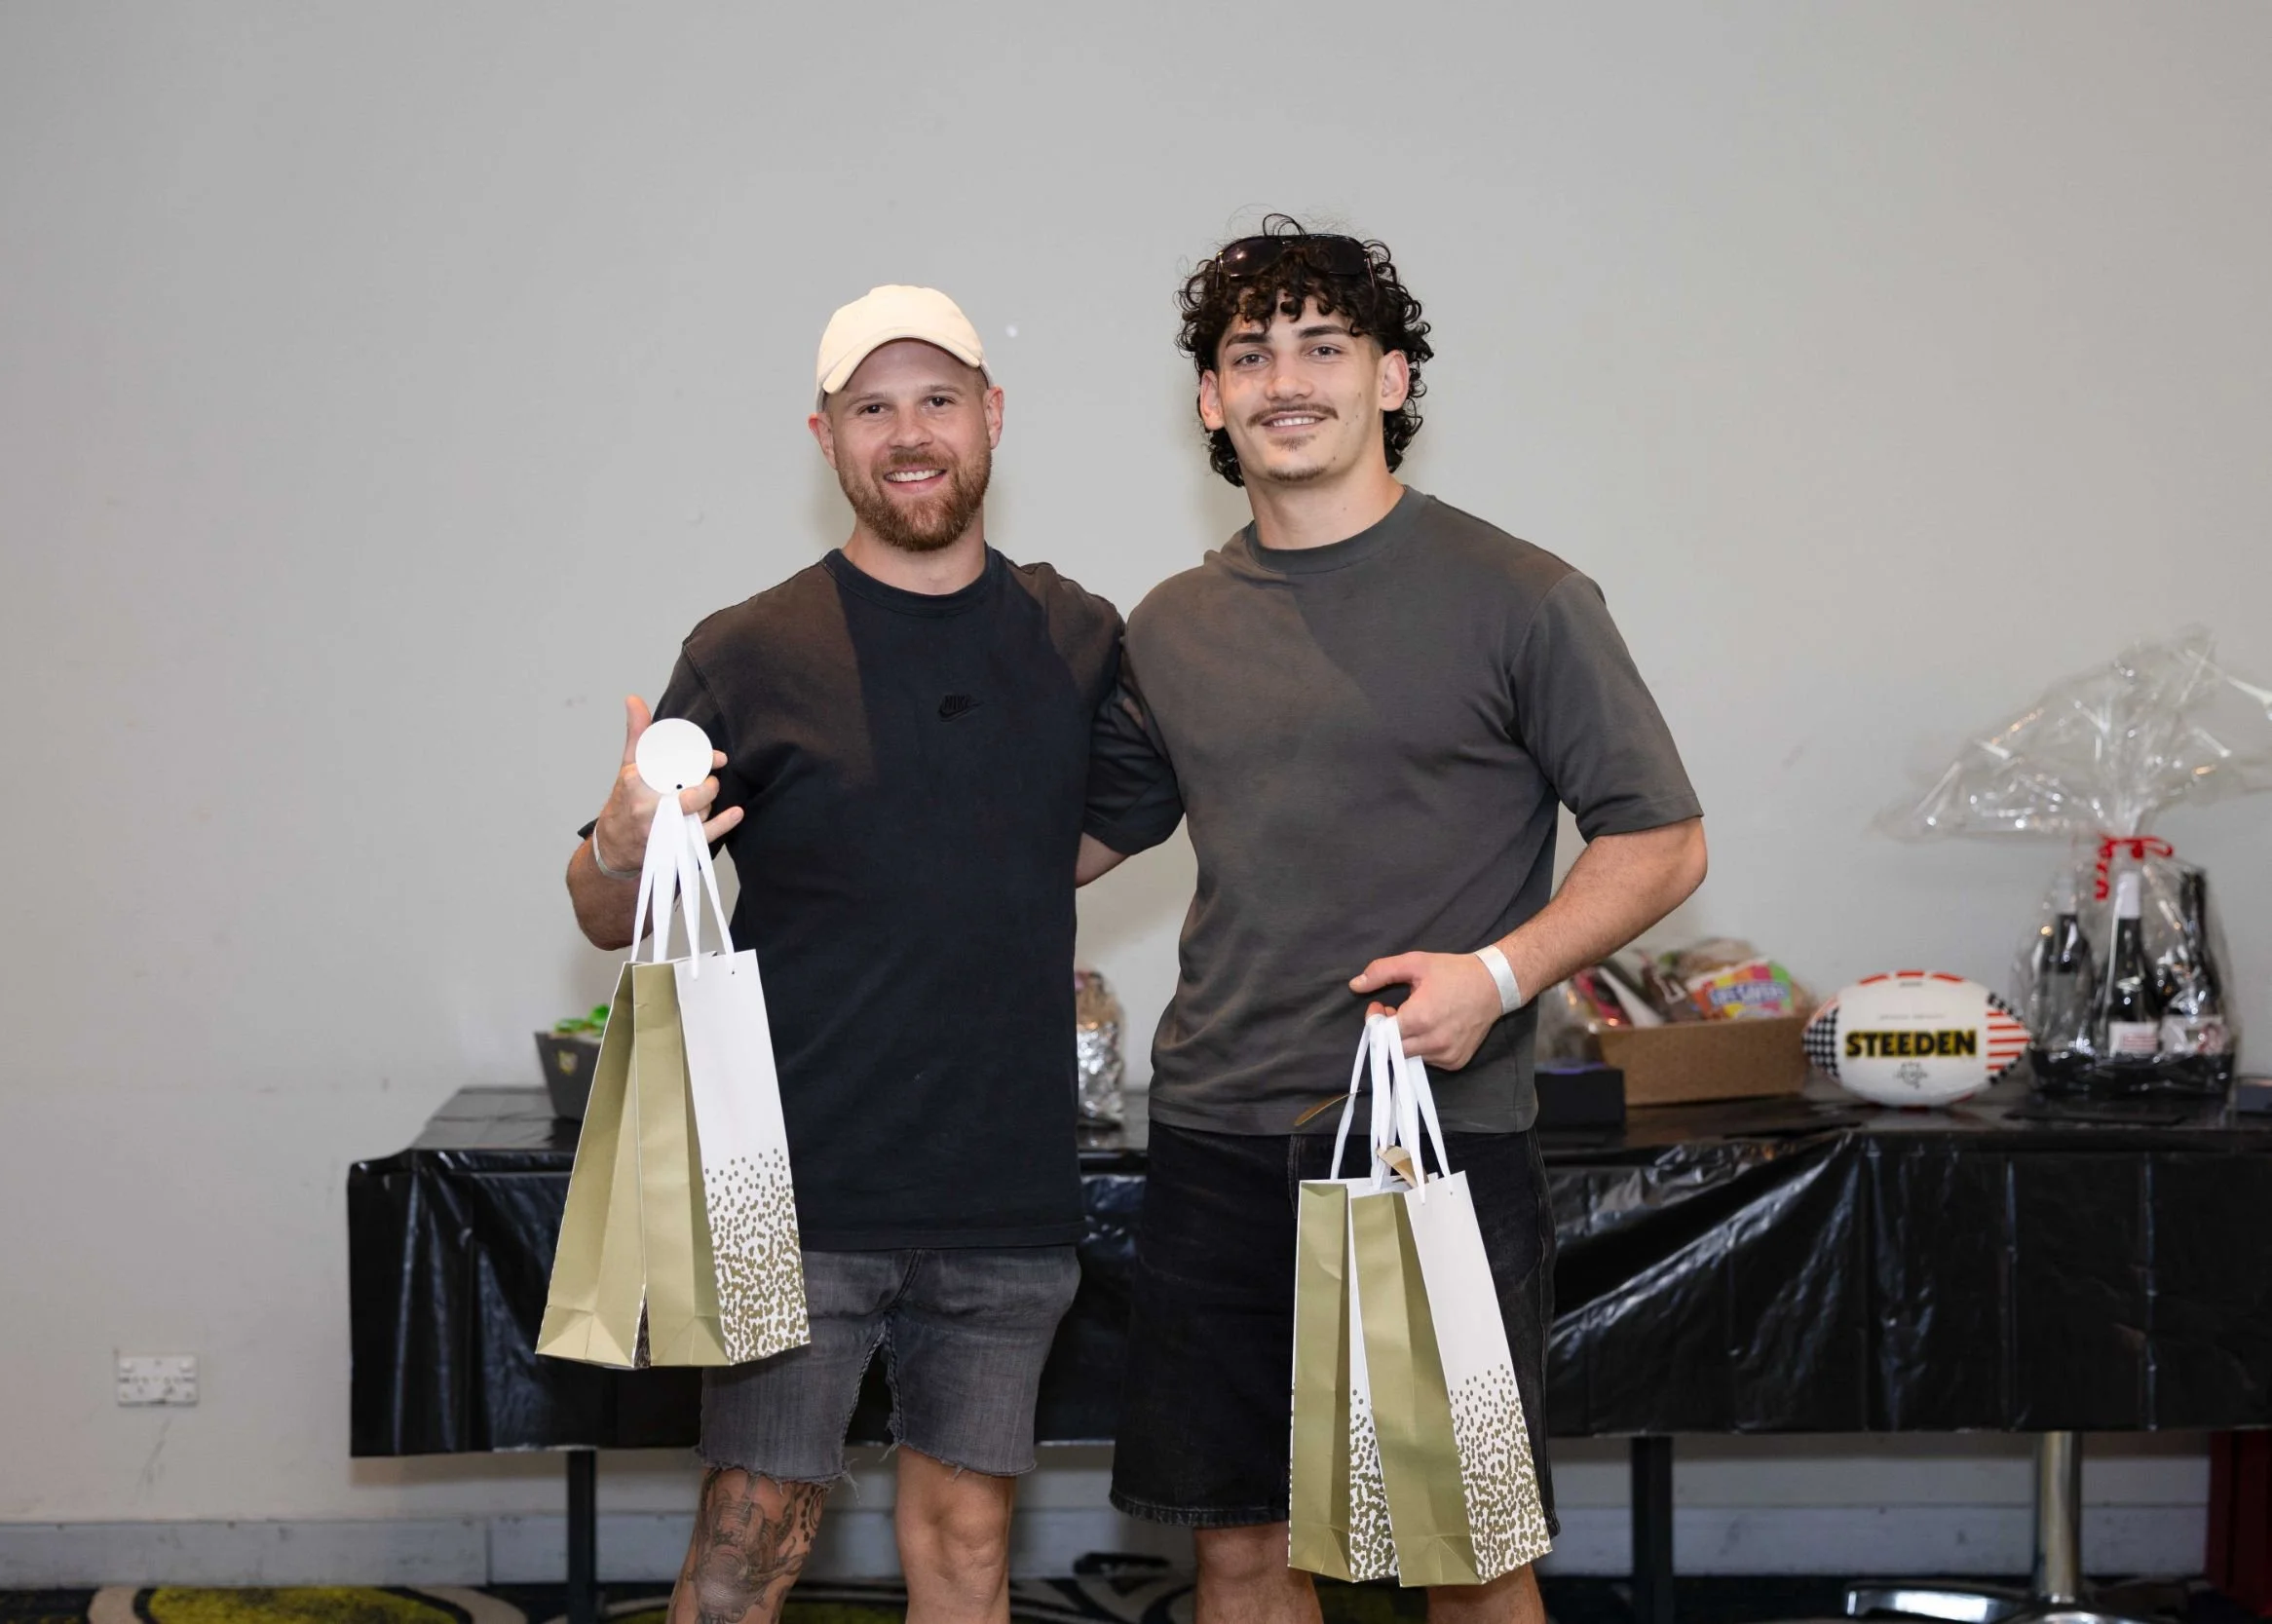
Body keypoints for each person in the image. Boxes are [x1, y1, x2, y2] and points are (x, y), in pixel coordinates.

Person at [1079, 220, 1708, 1624]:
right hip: (1218, 1134)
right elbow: (1061, 840)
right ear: (1210, 400)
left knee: (1462, 1550)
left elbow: (1661, 839)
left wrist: (1498, 973)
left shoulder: (1523, 595)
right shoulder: (1172, 626)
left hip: (1433, 1137)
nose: (1285, 377)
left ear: (1394, 378)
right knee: (1239, 1545)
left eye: (1323, 345)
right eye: (1250, 353)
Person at [567, 285, 1122, 1624]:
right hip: (794, 1186)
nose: (910, 431)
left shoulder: (1078, 635)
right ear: (826, 438)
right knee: (744, 1554)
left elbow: (1085, 830)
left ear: (991, 418)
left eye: (938, 398)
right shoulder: (748, 649)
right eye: (873, 406)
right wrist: (624, 839)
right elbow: (601, 909)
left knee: (970, 1549)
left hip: (1005, 1187)